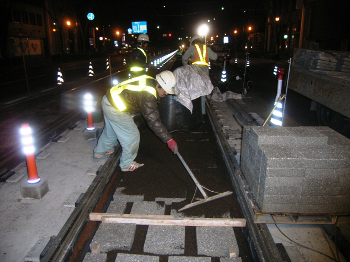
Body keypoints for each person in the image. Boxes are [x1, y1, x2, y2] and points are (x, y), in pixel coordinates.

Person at [93, 70, 178, 172]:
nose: (166, 94)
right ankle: (126, 164)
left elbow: (134, 96)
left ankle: (100, 151)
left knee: (111, 130)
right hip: (114, 108)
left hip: (107, 100)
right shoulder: (148, 95)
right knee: (132, 135)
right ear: (158, 85)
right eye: (165, 91)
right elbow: (154, 121)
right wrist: (168, 139)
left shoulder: (150, 80)